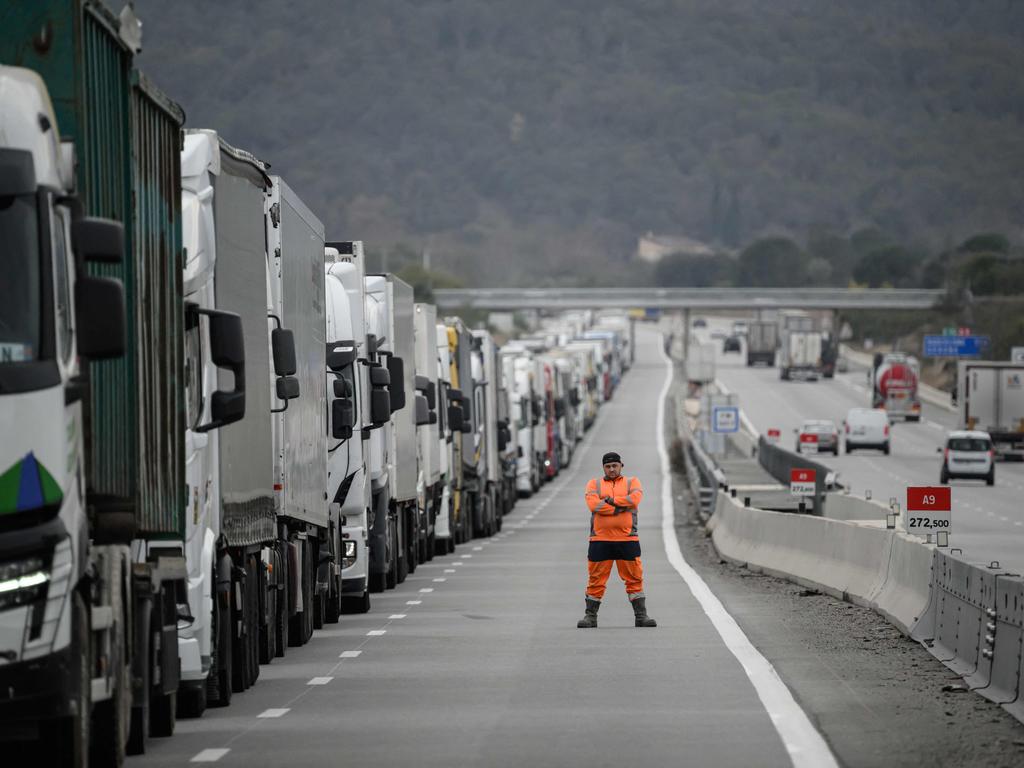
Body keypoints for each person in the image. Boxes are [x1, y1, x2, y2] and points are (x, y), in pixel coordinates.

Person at [577, 452, 656, 628]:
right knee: (596, 579)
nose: (612, 469)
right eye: (608, 466)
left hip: (627, 539)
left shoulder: (632, 482)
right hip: (600, 540)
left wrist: (611, 500)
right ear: (603, 468)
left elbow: (634, 500)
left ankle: (641, 616)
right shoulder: (594, 484)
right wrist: (618, 509)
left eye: (615, 465)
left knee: (634, 578)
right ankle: (590, 617)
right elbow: (593, 505)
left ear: (621, 465)